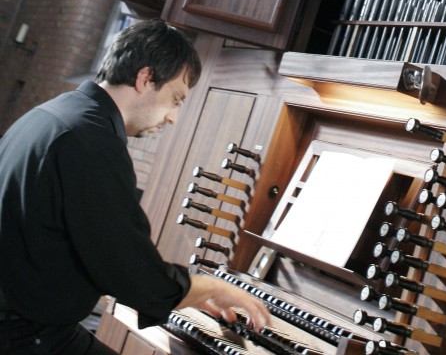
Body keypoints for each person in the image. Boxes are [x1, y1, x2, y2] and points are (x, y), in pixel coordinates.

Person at [0, 19, 269, 354]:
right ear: (145, 78)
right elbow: (133, 273)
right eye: (176, 98)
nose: (172, 117)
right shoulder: (93, 144)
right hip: (26, 338)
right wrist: (209, 287)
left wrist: (185, 294)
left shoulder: (52, 114)